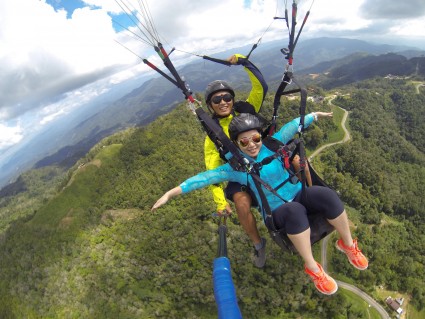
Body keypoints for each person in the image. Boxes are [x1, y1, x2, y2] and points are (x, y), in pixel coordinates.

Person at [152, 112, 369, 295]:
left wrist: (314, 115)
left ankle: (348, 245)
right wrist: (171, 193)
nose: (252, 145)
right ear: (237, 144)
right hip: (278, 211)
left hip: (298, 194)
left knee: (326, 194)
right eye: (244, 142)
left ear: (260, 136)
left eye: (255, 138)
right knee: (294, 211)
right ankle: (313, 268)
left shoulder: (272, 145)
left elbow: (292, 126)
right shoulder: (236, 168)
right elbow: (204, 178)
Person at [203, 53, 268, 268]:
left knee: (297, 162)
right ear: (210, 105)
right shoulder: (212, 134)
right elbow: (212, 170)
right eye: (216, 100)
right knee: (241, 203)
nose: (223, 102)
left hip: (263, 159)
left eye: (226, 98)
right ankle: (258, 244)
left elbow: (261, 87)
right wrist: (220, 202)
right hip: (240, 173)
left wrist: (244, 62)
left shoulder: (246, 110)